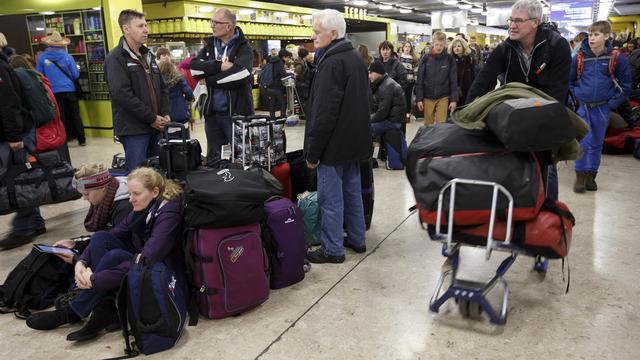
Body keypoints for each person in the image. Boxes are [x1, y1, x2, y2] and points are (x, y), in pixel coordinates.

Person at [26, 167, 185, 342]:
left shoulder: (168, 213)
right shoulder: (144, 205)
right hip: (140, 258)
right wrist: (82, 262)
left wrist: (94, 280)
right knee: (102, 237)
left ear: (155, 191)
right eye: (130, 193)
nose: (131, 199)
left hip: (161, 270)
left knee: (113, 256)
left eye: (136, 194)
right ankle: (105, 307)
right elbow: (113, 234)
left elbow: (147, 259)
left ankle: (72, 313)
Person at [304, 9, 371, 264]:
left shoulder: (331, 62)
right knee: (352, 193)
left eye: (317, 32)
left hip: (333, 145)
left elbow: (323, 113)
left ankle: (333, 249)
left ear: (333, 34)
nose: (313, 36)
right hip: (353, 142)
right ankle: (357, 238)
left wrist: (313, 152)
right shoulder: (353, 57)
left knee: (330, 200)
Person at [466, 0, 572, 104]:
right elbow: (483, 81)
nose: (512, 26)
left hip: (546, 110)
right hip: (514, 111)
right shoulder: (505, 48)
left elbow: (559, 91)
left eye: (518, 21)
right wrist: (467, 112)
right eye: (511, 20)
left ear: (535, 22)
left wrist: (546, 118)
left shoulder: (557, 45)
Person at [105, 9, 171, 173]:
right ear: (126, 29)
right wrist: (151, 118)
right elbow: (122, 94)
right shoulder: (116, 58)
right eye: (140, 26)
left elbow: (162, 88)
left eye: (146, 25)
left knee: (158, 175)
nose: (146, 30)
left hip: (157, 127)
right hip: (134, 130)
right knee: (138, 177)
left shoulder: (149, 56)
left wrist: (166, 113)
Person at [570, 21, 631, 193]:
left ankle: (591, 176)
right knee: (583, 142)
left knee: (597, 143)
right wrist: (576, 96)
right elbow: (569, 81)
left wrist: (612, 103)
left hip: (603, 109)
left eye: (596, 35)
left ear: (606, 36)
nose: (592, 38)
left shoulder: (616, 58)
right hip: (583, 107)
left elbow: (626, 85)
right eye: (590, 35)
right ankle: (580, 177)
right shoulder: (579, 58)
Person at [0, 33, 46, 250]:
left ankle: (22, 229)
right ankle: (35, 223)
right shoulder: (6, 65)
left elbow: (8, 103)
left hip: (14, 135)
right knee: (24, 175)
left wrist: (14, 136)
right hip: (16, 132)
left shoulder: (1, 68)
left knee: (18, 179)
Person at [189, 8, 254, 161]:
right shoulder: (208, 47)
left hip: (236, 115)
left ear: (229, 26)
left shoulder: (244, 48)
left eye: (216, 22)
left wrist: (209, 79)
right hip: (211, 115)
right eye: (211, 22)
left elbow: (240, 76)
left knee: (241, 158)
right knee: (214, 159)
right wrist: (219, 66)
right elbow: (194, 70)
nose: (212, 26)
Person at [51, 163, 132, 262]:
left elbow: (112, 243)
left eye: (87, 194)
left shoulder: (125, 207)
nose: (85, 198)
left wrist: (78, 260)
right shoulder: (106, 199)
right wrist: (76, 244)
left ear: (102, 187)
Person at [36, 31, 86, 146]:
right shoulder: (67, 57)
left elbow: (39, 75)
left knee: (60, 116)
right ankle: (81, 139)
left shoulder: (42, 57)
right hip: (69, 89)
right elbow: (75, 74)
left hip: (53, 91)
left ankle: (64, 139)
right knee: (75, 114)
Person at [415, 31, 458, 125]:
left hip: (443, 96)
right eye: (436, 44)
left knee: (441, 125)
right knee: (428, 125)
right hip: (427, 96)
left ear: (445, 44)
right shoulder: (425, 58)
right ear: (433, 43)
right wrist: (419, 99)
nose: (438, 47)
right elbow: (420, 80)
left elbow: (453, 81)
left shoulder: (450, 59)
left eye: (441, 45)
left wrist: (454, 100)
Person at [369, 61, 406, 141]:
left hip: (393, 122)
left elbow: (382, 112)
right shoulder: (384, 83)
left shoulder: (386, 86)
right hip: (391, 119)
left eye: (371, 72)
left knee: (365, 129)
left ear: (379, 72)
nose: (369, 76)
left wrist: (368, 120)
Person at [159, 60, 194, 134]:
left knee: (169, 143)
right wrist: (185, 100)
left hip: (165, 117)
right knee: (185, 142)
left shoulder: (157, 82)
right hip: (181, 114)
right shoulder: (179, 79)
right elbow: (189, 93)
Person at [265, 49, 292, 118]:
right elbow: (283, 74)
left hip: (269, 85)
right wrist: (292, 74)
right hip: (276, 86)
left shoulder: (272, 60)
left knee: (272, 102)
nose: (288, 59)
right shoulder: (279, 62)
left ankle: (272, 118)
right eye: (288, 57)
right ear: (284, 57)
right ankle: (282, 116)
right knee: (283, 102)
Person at [449, 38, 476, 106]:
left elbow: (473, 75)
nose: (456, 48)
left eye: (458, 46)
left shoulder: (469, 59)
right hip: (453, 90)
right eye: (454, 46)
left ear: (463, 47)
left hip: (467, 88)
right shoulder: (450, 60)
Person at [398, 42, 418, 122]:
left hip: (410, 81)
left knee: (408, 98)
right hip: (401, 81)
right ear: (403, 47)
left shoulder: (413, 58)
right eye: (405, 46)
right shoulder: (399, 57)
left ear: (411, 48)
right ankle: (401, 114)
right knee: (401, 98)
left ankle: (407, 115)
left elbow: (415, 71)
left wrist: (416, 81)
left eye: (409, 46)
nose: (407, 48)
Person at [294, 47, 315, 118]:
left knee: (305, 101)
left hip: (303, 84)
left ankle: (307, 116)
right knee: (304, 102)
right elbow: (297, 74)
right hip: (302, 85)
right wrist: (303, 77)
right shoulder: (300, 63)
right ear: (305, 55)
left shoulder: (302, 62)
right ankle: (307, 116)